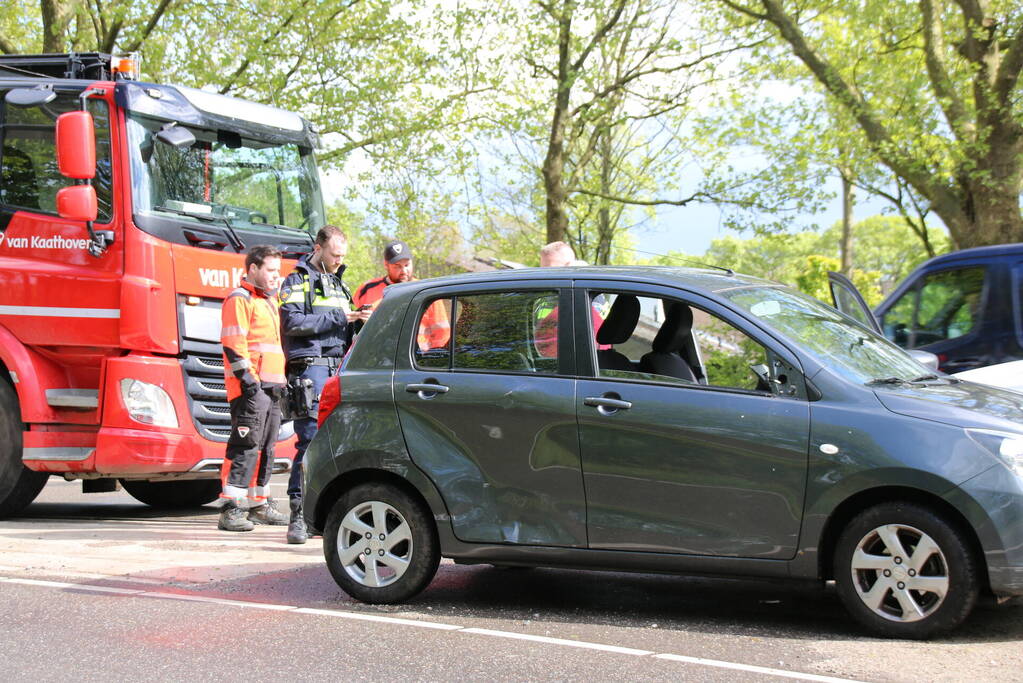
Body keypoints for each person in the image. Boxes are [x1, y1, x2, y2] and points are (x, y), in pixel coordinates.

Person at [278, 225, 368, 544]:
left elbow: (341, 327)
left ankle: (324, 515)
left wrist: (359, 323)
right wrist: (342, 318)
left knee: (336, 446)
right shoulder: (296, 281)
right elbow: (292, 323)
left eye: (342, 255)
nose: (337, 260)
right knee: (310, 443)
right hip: (310, 371)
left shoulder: (338, 283)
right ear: (318, 247)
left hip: (336, 371)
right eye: (334, 254)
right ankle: (298, 516)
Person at [218, 245, 290, 532]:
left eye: (278, 270)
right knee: (245, 446)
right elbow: (233, 345)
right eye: (271, 270)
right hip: (252, 387)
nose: (276, 276)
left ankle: (259, 504)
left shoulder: (269, 301)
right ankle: (230, 508)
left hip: (272, 386)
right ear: (253, 269)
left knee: (267, 448)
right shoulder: (240, 298)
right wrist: (249, 382)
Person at [354, 240, 450, 351]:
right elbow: (353, 327)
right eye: (397, 266)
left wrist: (433, 359)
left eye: (407, 265)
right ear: (386, 265)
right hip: (376, 359)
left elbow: (443, 334)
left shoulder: (427, 291)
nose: (404, 270)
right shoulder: (366, 289)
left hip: (417, 361)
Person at [534, 241, 609, 357]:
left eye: (552, 270)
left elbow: (587, 343)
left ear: (571, 267)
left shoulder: (589, 297)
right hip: (545, 364)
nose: (545, 275)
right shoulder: (544, 297)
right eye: (542, 270)